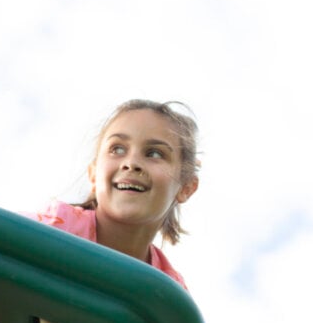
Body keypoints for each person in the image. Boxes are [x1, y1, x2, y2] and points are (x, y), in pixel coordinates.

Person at [29, 99, 200, 291]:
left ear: (186, 187)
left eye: (154, 154)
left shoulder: (169, 290)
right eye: (117, 149)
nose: (131, 163)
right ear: (93, 174)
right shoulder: (55, 229)